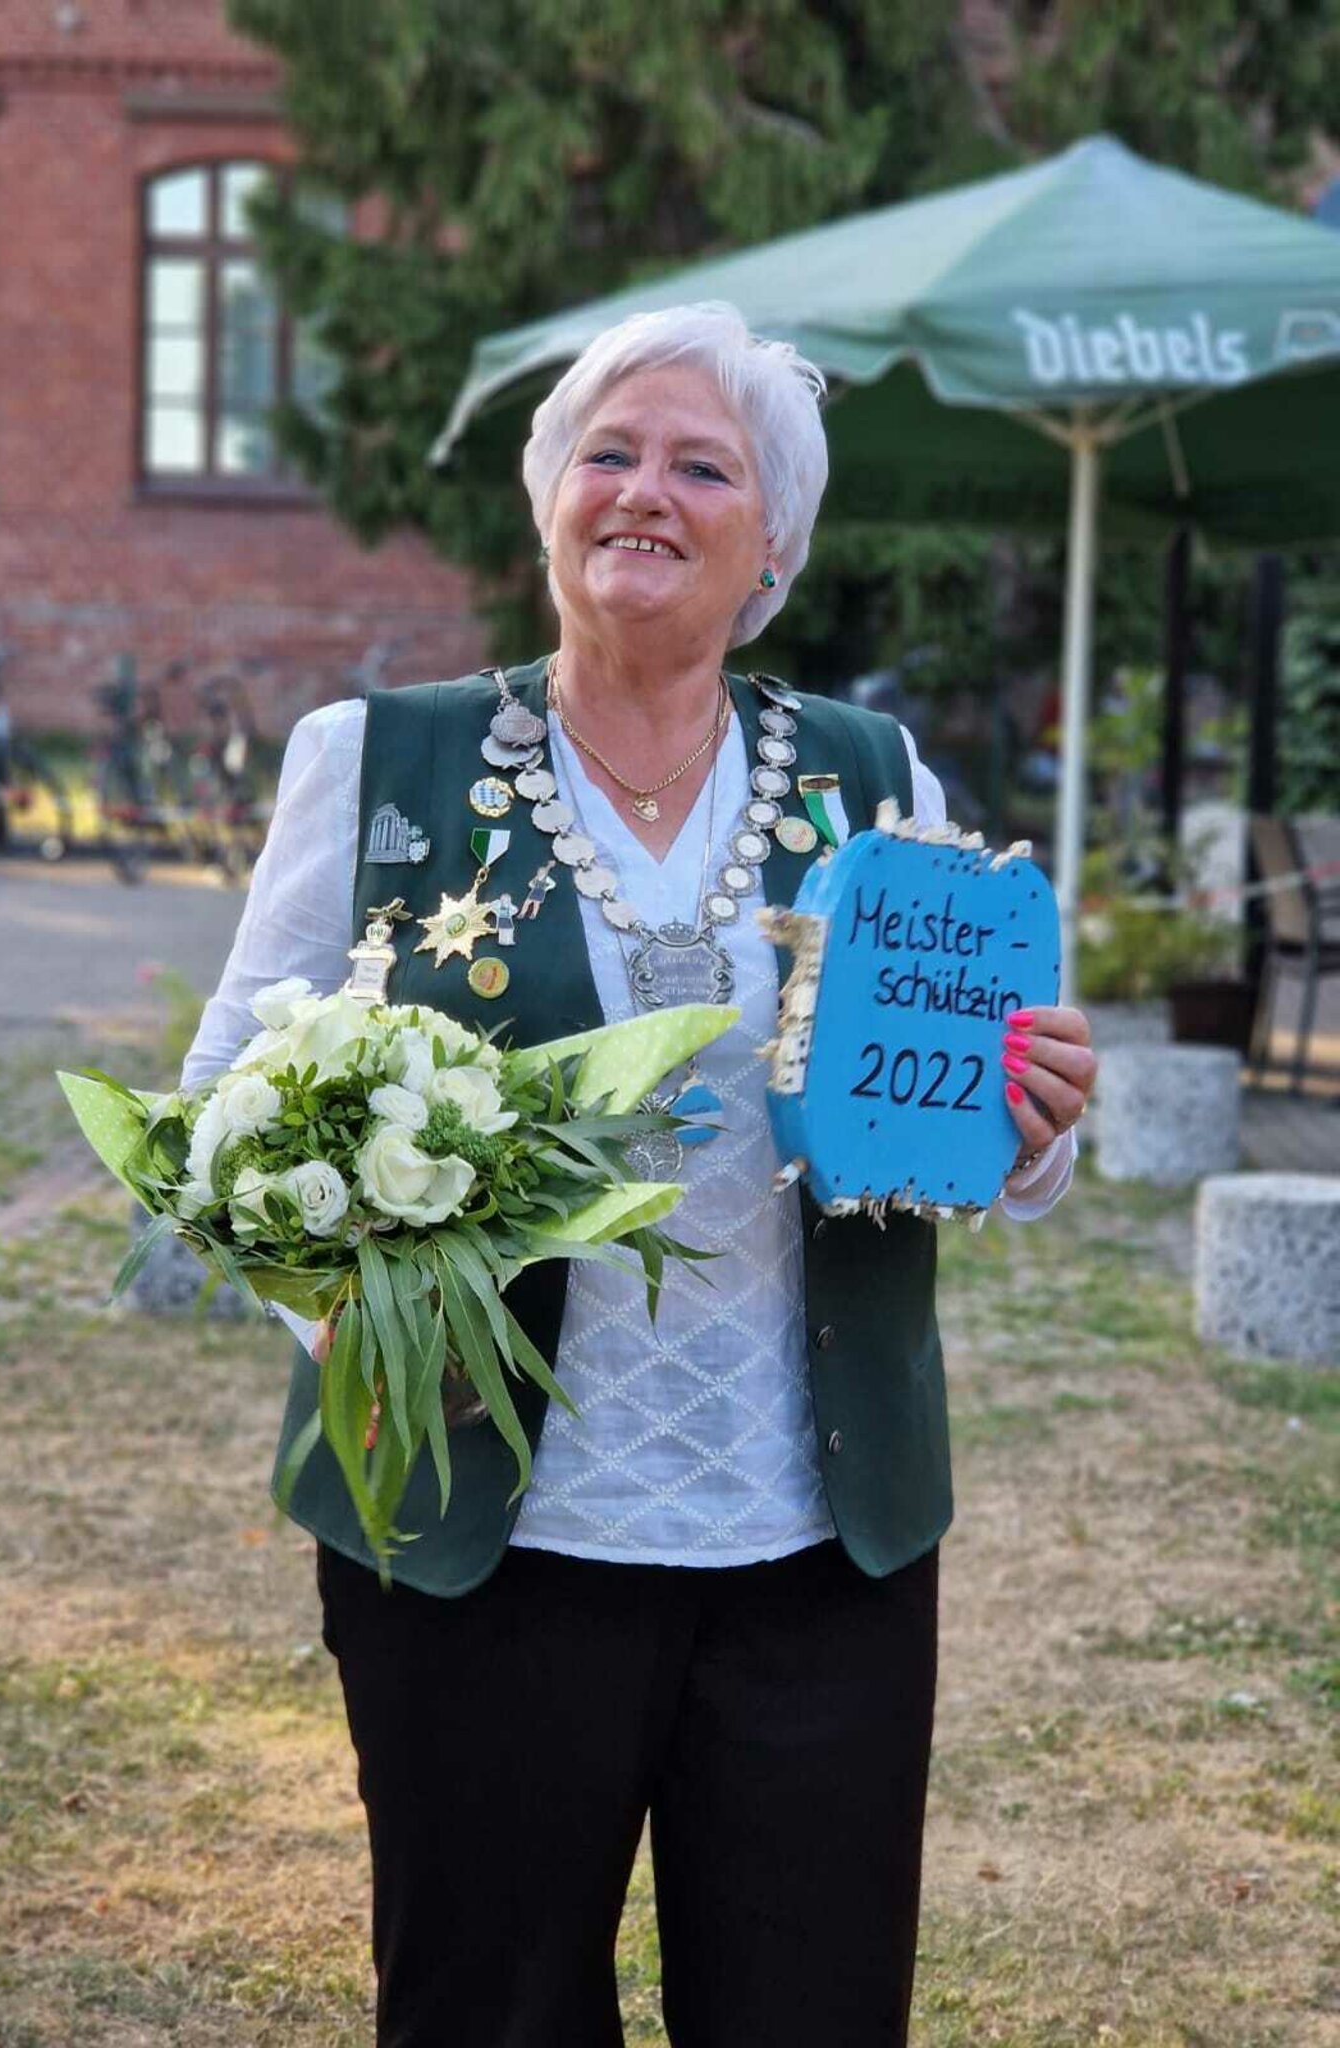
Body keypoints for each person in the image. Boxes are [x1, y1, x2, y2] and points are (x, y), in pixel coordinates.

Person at [182, 301, 1097, 2048]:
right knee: (490, 2007)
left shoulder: (872, 777)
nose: (644, 493)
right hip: (480, 1545)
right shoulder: (377, 764)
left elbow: (958, 1123)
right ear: (546, 502)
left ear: (775, 542)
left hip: (821, 1546)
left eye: (702, 464)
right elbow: (221, 1110)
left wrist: (1038, 1131)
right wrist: (356, 1323)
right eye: (608, 452)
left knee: (809, 2013)